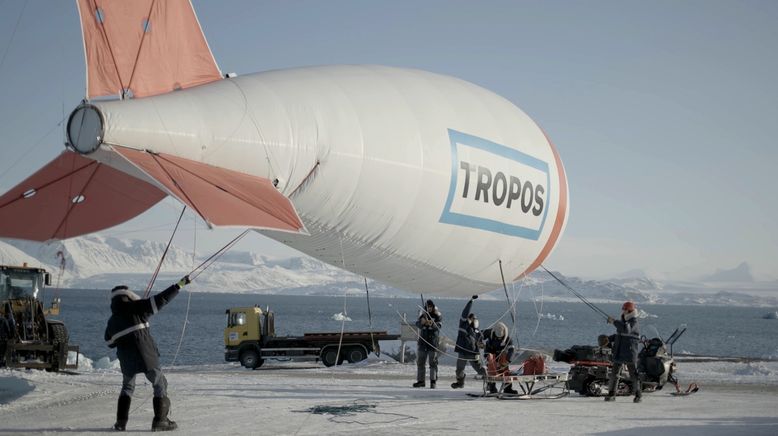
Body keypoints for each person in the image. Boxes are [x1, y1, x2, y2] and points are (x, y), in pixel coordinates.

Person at [105, 276, 190, 431]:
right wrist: (179, 285)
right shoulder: (138, 308)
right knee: (160, 384)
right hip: (147, 356)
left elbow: (109, 343)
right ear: (128, 296)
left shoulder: (112, 321)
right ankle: (160, 421)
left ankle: (121, 423)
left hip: (127, 360)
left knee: (127, 388)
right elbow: (161, 299)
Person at [604, 301, 642, 403]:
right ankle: (611, 394)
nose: (623, 311)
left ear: (630, 310)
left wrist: (614, 322)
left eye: (625, 309)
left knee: (633, 375)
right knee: (614, 374)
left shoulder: (634, 322)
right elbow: (619, 335)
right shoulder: (623, 321)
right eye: (623, 309)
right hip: (619, 351)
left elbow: (626, 330)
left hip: (630, 353)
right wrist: (608, 338)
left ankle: (638, 395)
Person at [451, 295, 485, 389]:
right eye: (472, 319)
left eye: (475, 319)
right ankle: (460, 383)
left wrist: (481, 346)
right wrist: (471, 301)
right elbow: (464, 313)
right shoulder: (463, 325)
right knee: (459, 370)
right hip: (462, 352)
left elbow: (481, 343)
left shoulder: (477, 332)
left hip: (473, 353)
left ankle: (489, 382)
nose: (474, 320)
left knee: (479, 369)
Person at [482, 321, 518, 395]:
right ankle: (492, 387)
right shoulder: (490, 336)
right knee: (491, 369)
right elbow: (480, 336)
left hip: (502, 357)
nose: (499, 338)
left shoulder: (508, 339)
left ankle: (507, 388)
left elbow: (511, 350)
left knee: (505, 371)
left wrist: (508, 361)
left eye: (501, 337)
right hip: (492, 356)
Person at [413, 299, 442, 389]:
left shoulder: (437, 316)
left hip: (433, 343)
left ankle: (433, 381)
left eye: (430, 307)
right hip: (422, 343)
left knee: (433, 363)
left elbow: (439, 326)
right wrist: (421, 323)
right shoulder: (423, 315)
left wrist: (432, 324)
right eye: (427, 307)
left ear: (433, 307)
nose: (429, 308)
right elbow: (417, 324)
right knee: (420, 363)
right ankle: (421, 381)